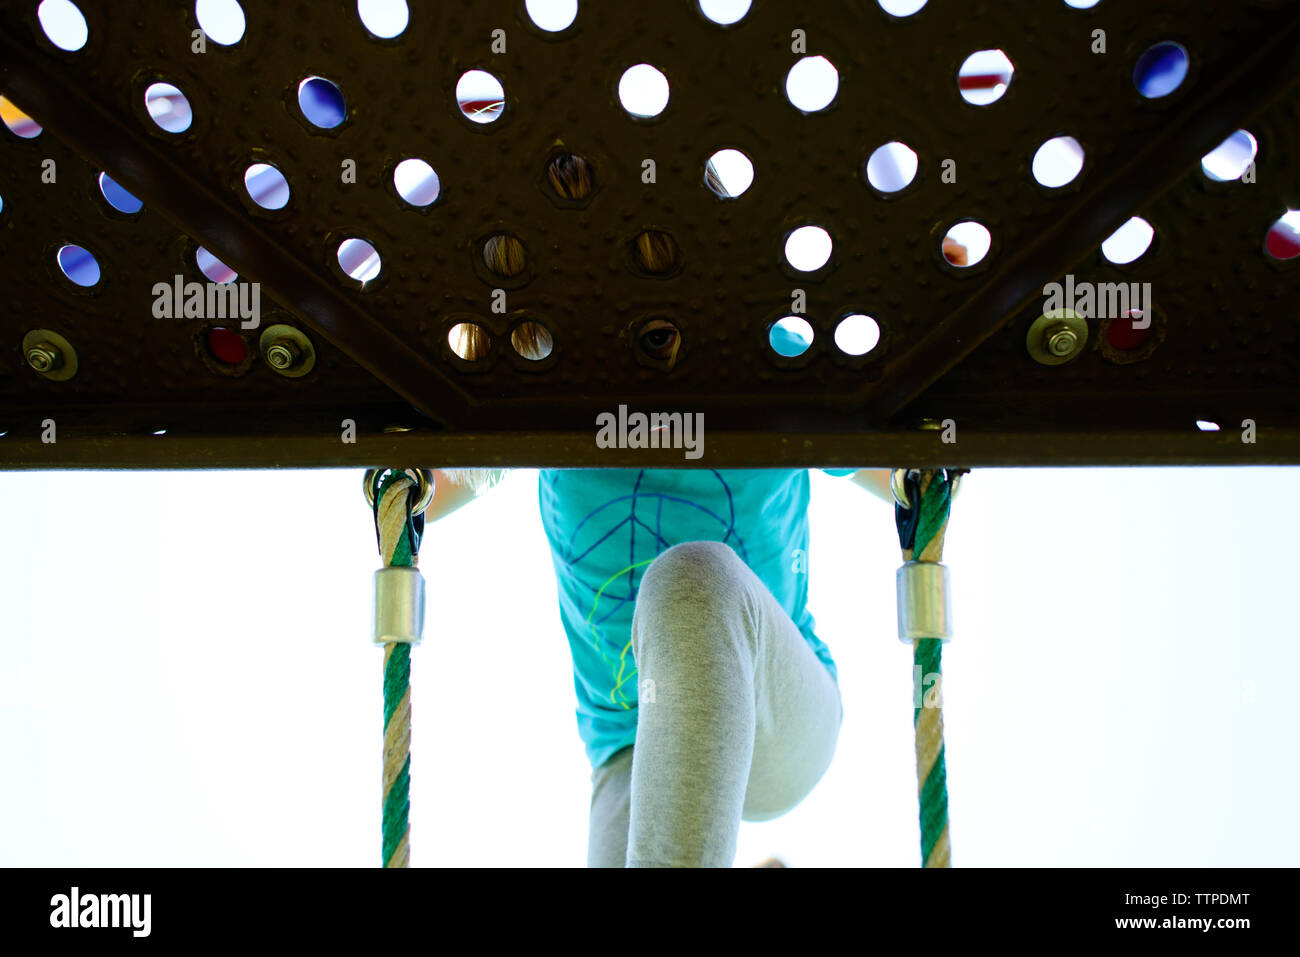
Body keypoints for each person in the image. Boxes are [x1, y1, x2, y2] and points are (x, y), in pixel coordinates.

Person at [427, 155, 959, 867]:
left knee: (692, 582)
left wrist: (947, 340)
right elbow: (421, 494)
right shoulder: (536, 401)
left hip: (775, 707)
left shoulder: (768, 361)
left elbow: (907, 471)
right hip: (626, 740)